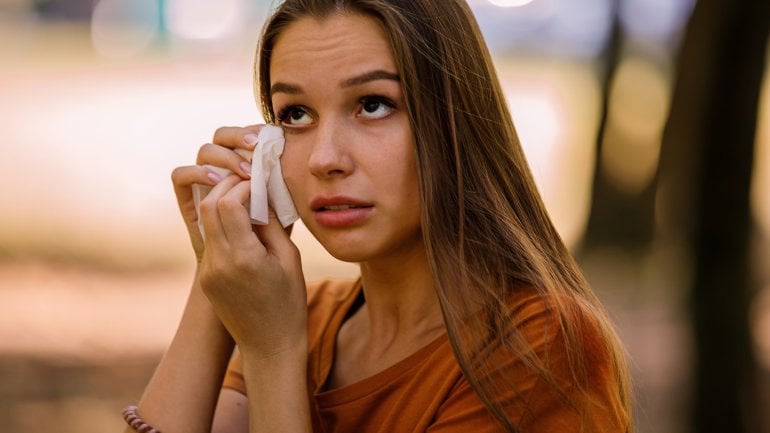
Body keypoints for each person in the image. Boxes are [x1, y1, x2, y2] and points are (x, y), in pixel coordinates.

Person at [122, 0, 634, 432]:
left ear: (453, 121)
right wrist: (216, 278)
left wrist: (274, 355)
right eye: (295, 115)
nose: (325, 158)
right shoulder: (303, 317)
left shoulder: (542, 348)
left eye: (372, 104)